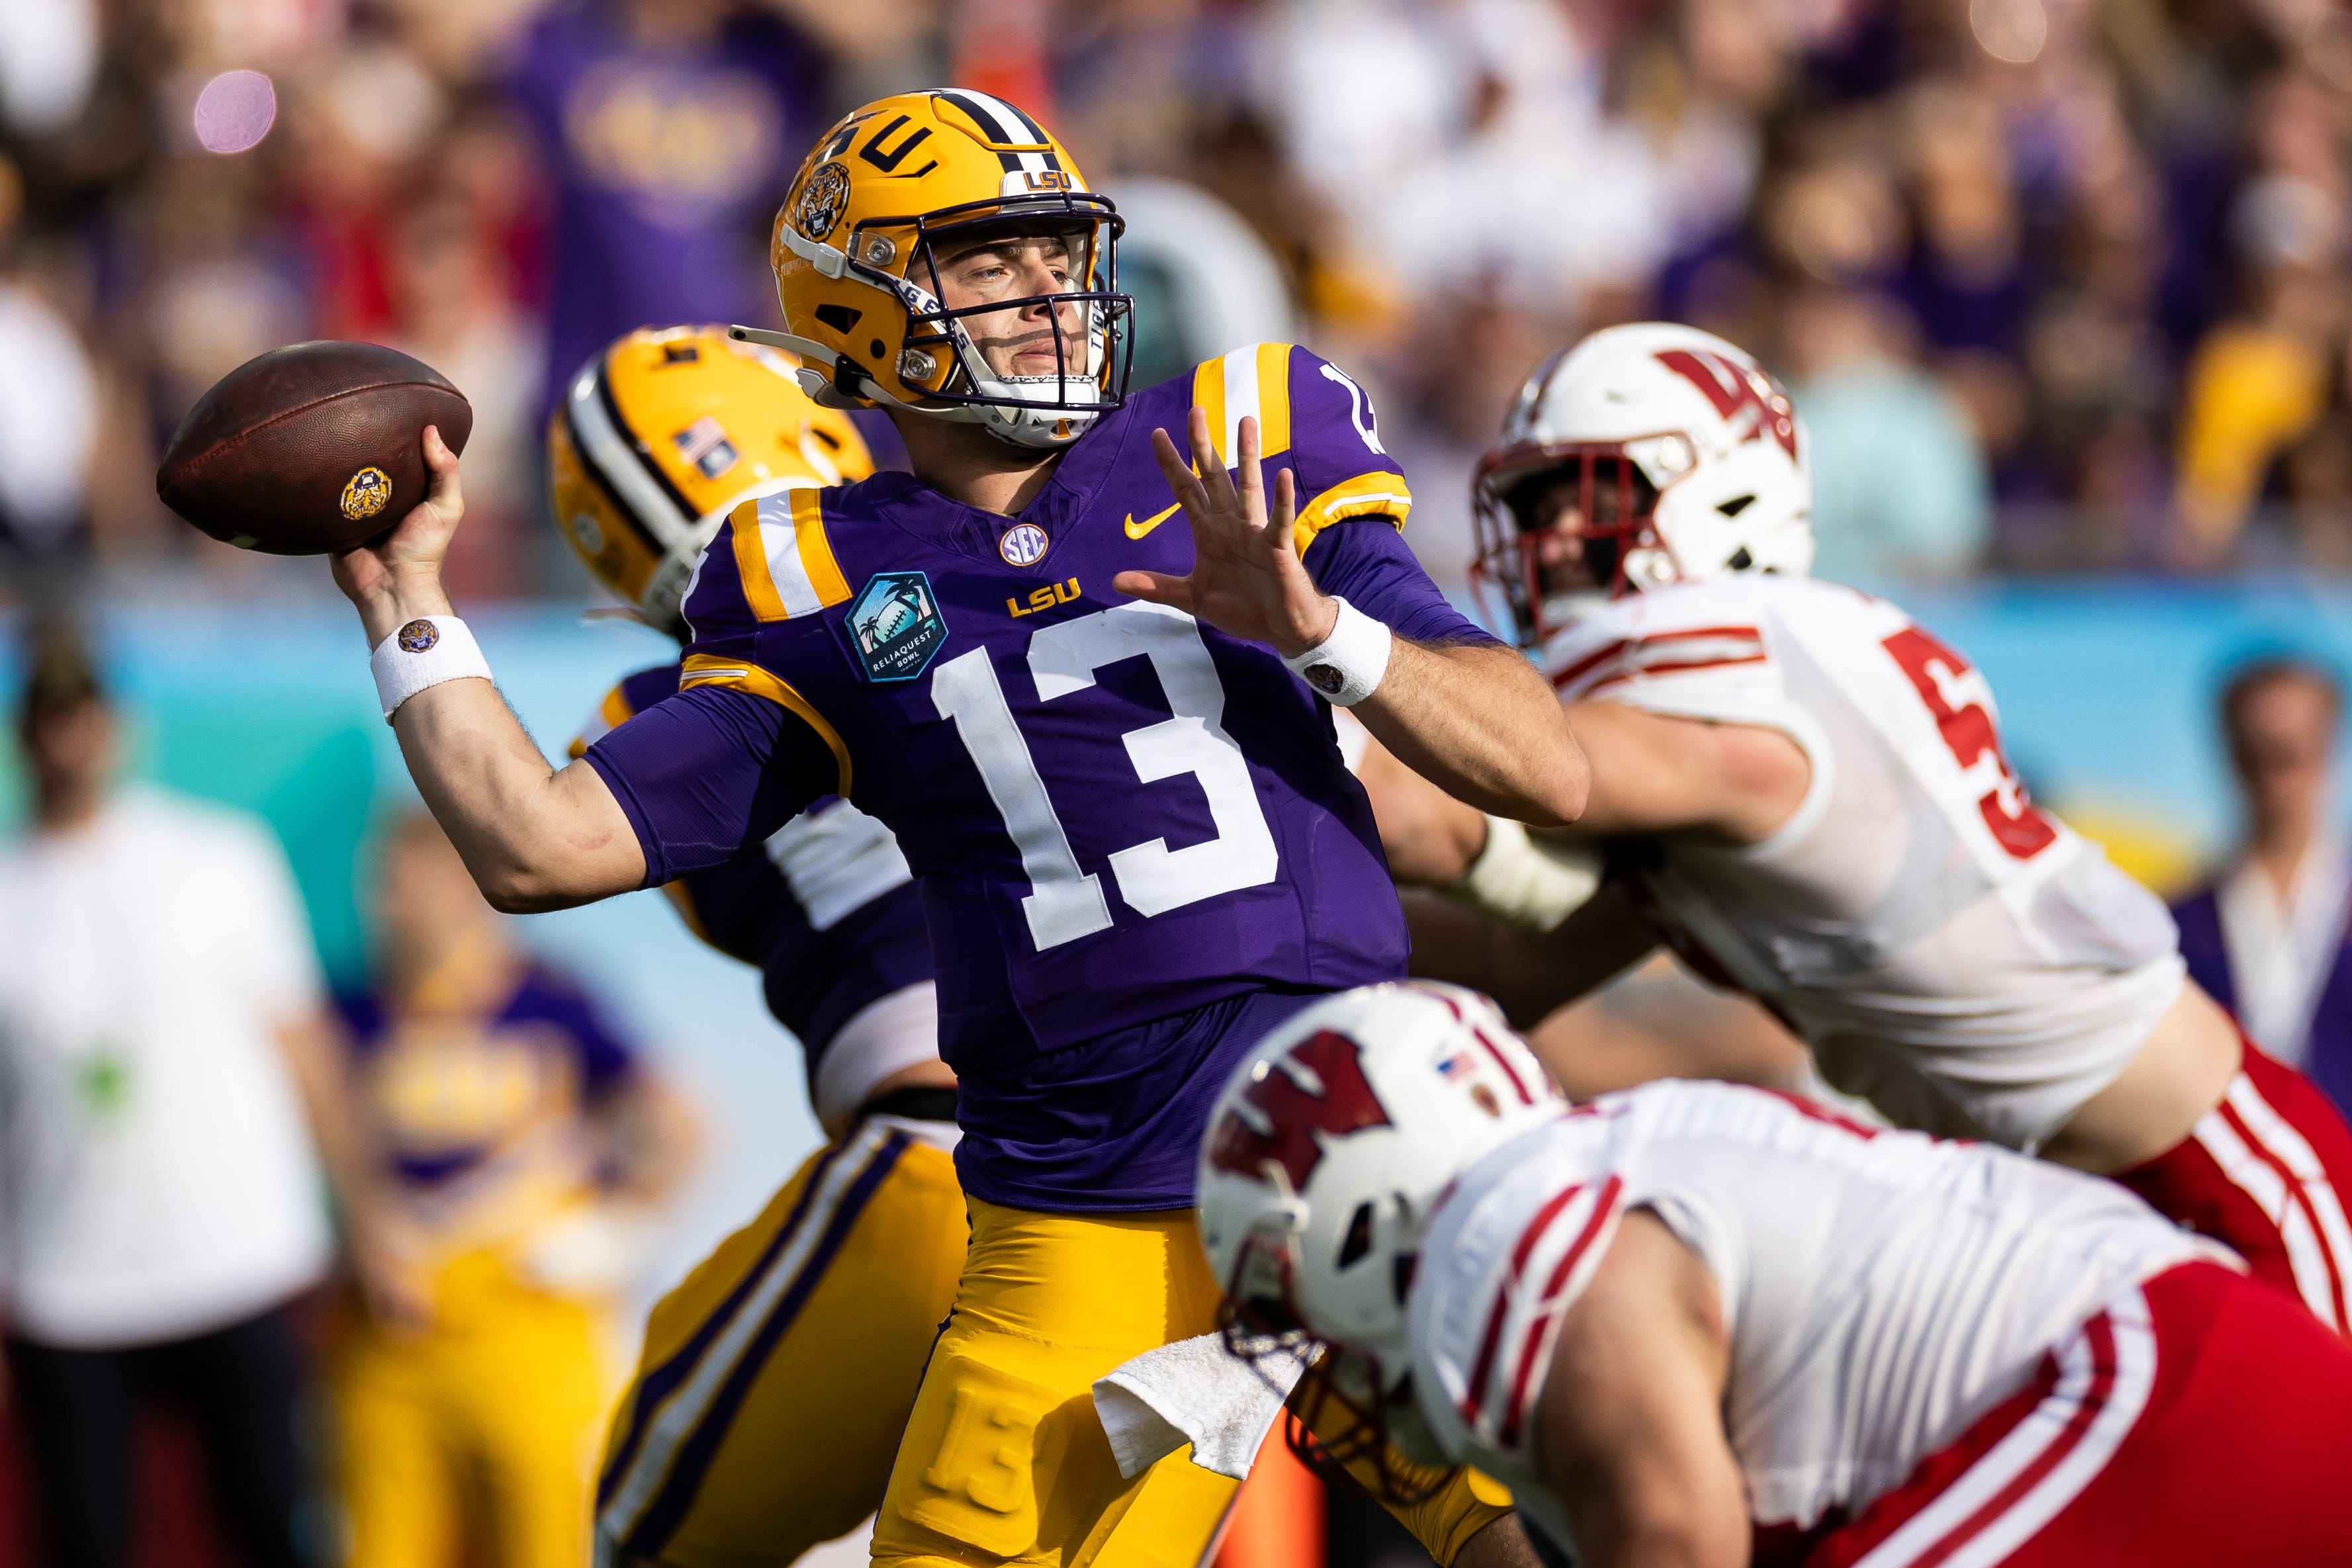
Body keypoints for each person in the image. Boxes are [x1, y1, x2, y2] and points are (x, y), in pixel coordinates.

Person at [324, 89, 1581, 1567]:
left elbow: (1541, 764)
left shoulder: (1237, 433)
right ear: (862, 311)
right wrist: (410, 605)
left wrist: (1333, 641)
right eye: (992, 262)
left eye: (1059, 253)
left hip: (1368, 1122)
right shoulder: (807, 575)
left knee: (1585, 1520)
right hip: (1091, 1216)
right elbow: (538, 848)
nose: (1051, 295)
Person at [1357, 322, 2352, 1335]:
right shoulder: (1702, 715)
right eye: (1532, 505)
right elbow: (1509, 963)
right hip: (2060, 1239)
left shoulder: (1741, 687)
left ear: (1722, 492)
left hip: (2217, 1196)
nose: (1552, 537)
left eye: (1587, 494)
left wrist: (1316, 657)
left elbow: (1464, 800)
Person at [1197, 982, 2352, 1568]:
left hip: (2152, 1398)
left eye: (1289, 1291)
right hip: (2200, 1387)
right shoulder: (1598, 1160)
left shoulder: (1507, 1233)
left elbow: (1675, 1542)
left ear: (1371, 1209)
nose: (1317, 1352)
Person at [548, 324, 964, 1568]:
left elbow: (706, 899)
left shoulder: (647, 715)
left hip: (947, 1156)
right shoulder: (1018, 568)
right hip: (1198, 1123)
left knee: (644, 1519)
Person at [0, 625, 383, 1568]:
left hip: (236, 1259)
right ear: (24, 734)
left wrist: (367, 1217)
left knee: (270, 1520)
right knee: (86, 1537)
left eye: (84, 712)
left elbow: (306, 1050)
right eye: (50, 715)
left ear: (120, 726)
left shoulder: (221, 858)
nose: (69, 736)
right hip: (64, 1283)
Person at [332, 812, 698, 1568]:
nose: (391, 905)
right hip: (392, 1334)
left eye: (410, 883)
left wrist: (623, 1226)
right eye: (385, 886)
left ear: (468, 886)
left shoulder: (553, 1004)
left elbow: (679, 1126)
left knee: (544, 1547)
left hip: (531, 1325)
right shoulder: (349, 1013)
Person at [2174, 657, 2352, 1117]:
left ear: (2327, 747)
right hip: (2233, 1181)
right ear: (2232, 755)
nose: (2275, 779)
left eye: (2291, 753)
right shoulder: (2181, 926)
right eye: (2257, 754)